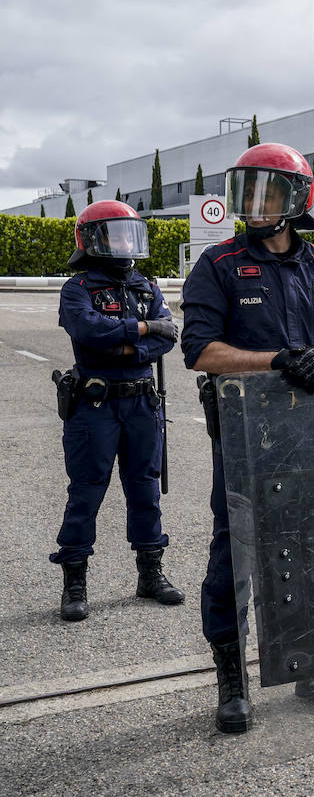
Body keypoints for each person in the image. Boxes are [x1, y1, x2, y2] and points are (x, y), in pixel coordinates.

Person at [180, 143, 314, 733]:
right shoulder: (218, 265)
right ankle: (233, 677)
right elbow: (201, 351)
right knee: (235, 554)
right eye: (247, 191)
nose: (255, 205)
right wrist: (278, 361)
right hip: (248, 431)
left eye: (268, 192)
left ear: (298, 198)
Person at [50, 200, 183, 621]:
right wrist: (142, 329)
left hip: (142, 402)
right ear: (91, 240)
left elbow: (169, 338)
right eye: (115, 233)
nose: (125, 241)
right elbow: (90, 331)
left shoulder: (147, 285)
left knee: (144, 487)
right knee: (87, 490)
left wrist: (125, 342)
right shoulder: (78, 288)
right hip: (95, 404)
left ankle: (150, 574)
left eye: (130, 233)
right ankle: (74, 583)